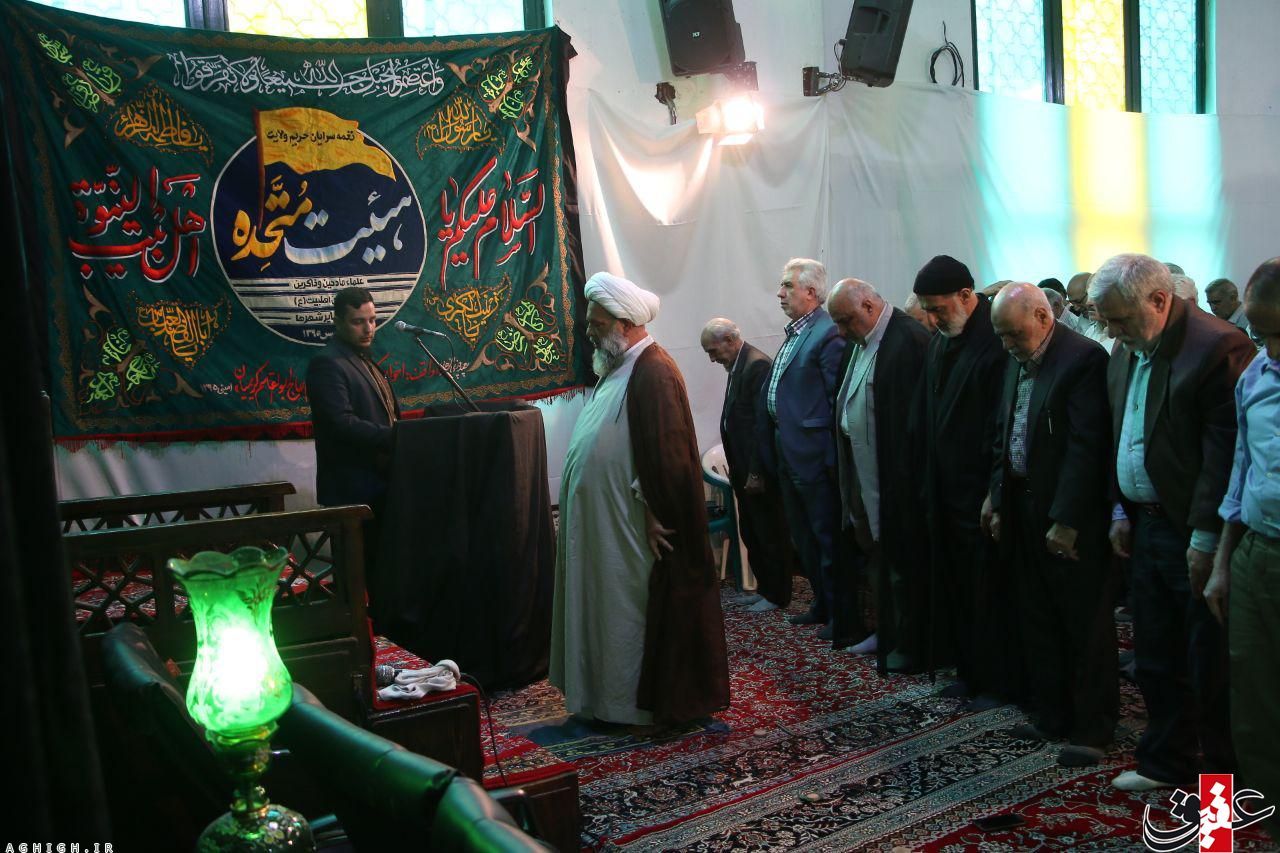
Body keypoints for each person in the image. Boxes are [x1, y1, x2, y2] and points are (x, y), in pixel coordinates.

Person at [1090, 253, 1255, 792]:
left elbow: (1225, 457)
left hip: (1198, 532)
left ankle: (1223, 788)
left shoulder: (1217, 347)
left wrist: (1206, 538)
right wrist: (1120, 509)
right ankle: (1165, 761)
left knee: (1210, 665)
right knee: (1156, 654)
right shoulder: (1129, 343)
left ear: (1159, 301)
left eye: (1118, 319)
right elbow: (1122, 433)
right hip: (1146, 524)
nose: (1110, 332)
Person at [551, 272, 729, 729]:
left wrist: (656, 513)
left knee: (626, 617)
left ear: (625, 323)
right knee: (604, 611)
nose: (589, 331)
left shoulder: (655, 371)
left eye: (596, 323)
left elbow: (669, 456)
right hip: (610, 526)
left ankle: (630, 706)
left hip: (631, 530)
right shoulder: (620, 368)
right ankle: (602, 701)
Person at [983, 283, 1117, 767]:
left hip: (1067, 515)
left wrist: (1067, 519)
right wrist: (996, 497)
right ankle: (1052, 713)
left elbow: (1087, 448)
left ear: (1043, 316)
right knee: (1037, 616)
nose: (1007, 345)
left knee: (1083, 623)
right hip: (1022, 504)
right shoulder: (1018, 357)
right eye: (1001, 336)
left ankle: (1092, 727)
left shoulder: (1082, 359)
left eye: (1013, 334)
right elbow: (1005, 433)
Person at [915, 254, 1017, 705]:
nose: (933, 319)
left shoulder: (996, 340)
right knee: (956, 587)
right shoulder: (942, 340)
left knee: (989, 592)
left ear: (965, 295)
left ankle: (997, 679)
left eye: (938, 309)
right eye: (928, 311)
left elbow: (1001, 426)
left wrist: (994, 493)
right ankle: (968, 670)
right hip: (946, 491)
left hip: (979, 493)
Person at [1204, 257, 1280, 841]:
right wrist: (1223, 564)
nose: (1270, 347)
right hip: (1258, 552)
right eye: (1261, 333)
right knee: (1254, 699)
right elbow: (1241, 470)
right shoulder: (1256, 374)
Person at [827, 279, 931, 671]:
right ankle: (887, 630)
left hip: (896, 480)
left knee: (902, 563)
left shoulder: (907, 339)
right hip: (863, 472)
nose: (841, 332)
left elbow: (912, 423)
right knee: (875, 556)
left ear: (869, 307)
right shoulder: (861, 340)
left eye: (845, 320)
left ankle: (909, 642)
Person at [757, 258, 846, 641]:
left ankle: (842, 615)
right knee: (804, 536)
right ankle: (822, 604)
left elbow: (835, 402)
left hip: (813, 456)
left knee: (826, 536)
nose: (780, 293)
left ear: (811, 292)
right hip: (790, 449)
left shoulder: (827, 333)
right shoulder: (798, 332)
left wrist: (829, 458)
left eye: (787, 286)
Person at [306, 286, 399, 611]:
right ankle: (358, 635)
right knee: (356, 581)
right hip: (352, 491)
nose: (368, 328)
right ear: (338, 322)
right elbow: (340, 424)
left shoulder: (363, 360)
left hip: (379, 486)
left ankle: (382, 631)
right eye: (358, 322)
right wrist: (395, 437)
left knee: (381, 573)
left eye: (372, 320)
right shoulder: (327, 363)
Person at [701, 318, 794, 612]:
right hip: (743, 469)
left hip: (758, 471)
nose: (712, 358)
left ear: (730, 340)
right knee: (752, 531)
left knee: (769, 532)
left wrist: (755, 471)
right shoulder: (739, 364)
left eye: (713, 350)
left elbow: (761, 426)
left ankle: (777, 594)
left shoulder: (756, 365)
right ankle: (765, 588)